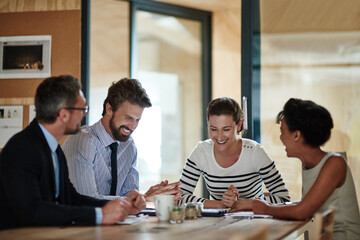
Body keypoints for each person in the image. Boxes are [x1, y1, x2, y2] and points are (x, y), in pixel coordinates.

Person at [0, 75, 146, 230]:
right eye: (82, 109)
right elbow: (32, 210)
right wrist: (100, 215)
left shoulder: (53, 149)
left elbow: (71, 198)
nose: (84, 114)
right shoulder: (22, 149)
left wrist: (123, 205)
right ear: (64, 115)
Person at [252, 98, 360, 240]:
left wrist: (265, 208)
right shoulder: (308, 165)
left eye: (282, 131)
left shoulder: (335, 163)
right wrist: (265, 204)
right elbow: (306, 203)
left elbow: (302, 211)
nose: (281, 137)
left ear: (297, 135)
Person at [62, 78, 181, 202]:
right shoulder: (82, 141)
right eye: (128, 117)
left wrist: (144, 197)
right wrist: (143, 199)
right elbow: (85, 200)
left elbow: (128, 197)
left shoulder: (129, 147)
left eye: (137, 120)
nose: (133, 126)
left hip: (117, 221)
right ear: (109, 109)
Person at [179, 97, 290, 209]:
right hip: (216, 223)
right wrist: (220, 204)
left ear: (239, 125)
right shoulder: (202, 151)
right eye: (213, 129)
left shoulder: (255, 152)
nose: (219, 136)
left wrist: (240, 204)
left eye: (226, 129)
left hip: (254, 223)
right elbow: (179, 198)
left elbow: (283, 198)